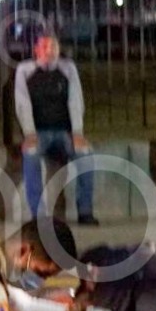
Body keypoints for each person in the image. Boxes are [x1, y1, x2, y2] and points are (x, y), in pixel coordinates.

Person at [15, 33, 96, 227]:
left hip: (65, 132)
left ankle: (85, 211)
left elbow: (76, 100)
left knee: (86, 154)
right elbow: (22, 103)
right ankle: (39, 215)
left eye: (53, 47)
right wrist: (29, 133)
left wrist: (77, 132)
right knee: (31, 155)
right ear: (36, 50)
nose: (49, 51)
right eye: (44, 47)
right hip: (39, 133)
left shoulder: (68, 69)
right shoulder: (25, 70)